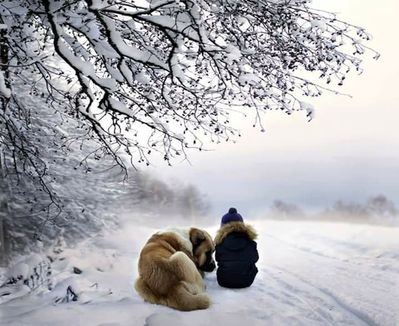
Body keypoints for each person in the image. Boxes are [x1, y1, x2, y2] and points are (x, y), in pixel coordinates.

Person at [214, 207, 259, 288]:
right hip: (247, 281)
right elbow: (255, 258)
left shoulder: (220, 243)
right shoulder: (250, 242)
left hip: (224, 281)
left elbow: (218, 258)